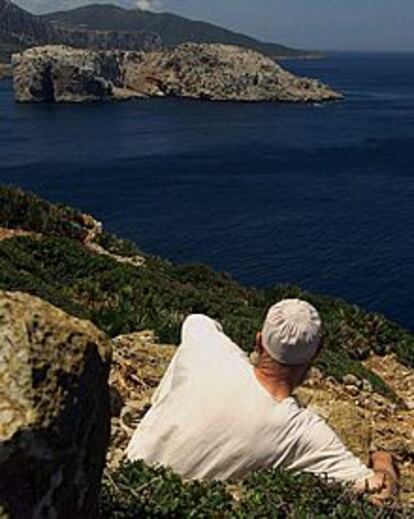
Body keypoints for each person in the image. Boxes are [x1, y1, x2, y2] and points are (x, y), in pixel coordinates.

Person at [127, 299, 398, 505]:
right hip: (176, 506)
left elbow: (197, 320)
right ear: (316, 355)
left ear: (258, 340)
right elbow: (381, 492)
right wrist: (384, 462)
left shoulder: (210, 351)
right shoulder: (300, 432)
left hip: (118, 484)